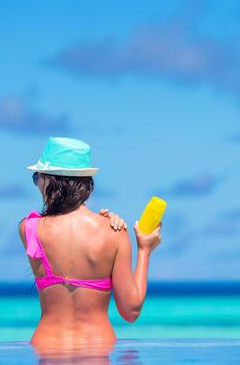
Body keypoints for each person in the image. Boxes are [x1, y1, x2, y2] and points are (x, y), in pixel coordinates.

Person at [18, 137, 162, 348]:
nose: (37, 183)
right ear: (86, 183)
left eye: (37, 177)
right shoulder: (113, 232)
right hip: (97, 347)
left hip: (46, 347)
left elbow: (55, 224)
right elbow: (130, 312)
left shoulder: (29, 229)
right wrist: (144, 250)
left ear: (50, 180)